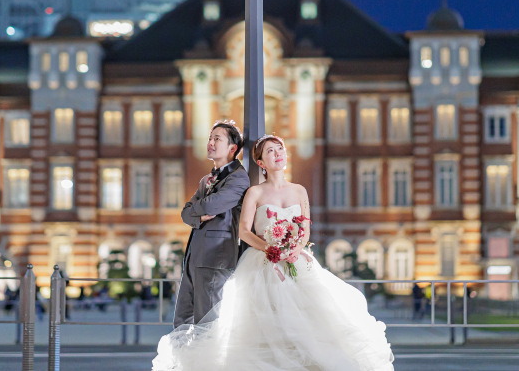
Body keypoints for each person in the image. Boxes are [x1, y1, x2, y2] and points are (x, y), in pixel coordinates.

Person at [153, 135, 395, 371]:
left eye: (280, 149)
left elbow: (306, 229)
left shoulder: (300, 191)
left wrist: (295, 248)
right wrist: (270, 248)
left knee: (308, 321)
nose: (278, 154)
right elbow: (244, 231)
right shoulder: (254, 193)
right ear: (261, 163)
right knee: (260, 323)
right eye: (271, 151)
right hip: (261, 262)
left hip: (295, 261)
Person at [172, 120, 250, 329]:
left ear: (233, 148)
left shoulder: (239, 178)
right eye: (210, 138)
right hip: (194, 258)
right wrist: (196, 213)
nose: (211, 143)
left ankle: (209, 362)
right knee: (182, 321)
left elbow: (212, 205)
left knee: (208, 324)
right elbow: (184, 214)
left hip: (216, 260)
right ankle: (188, 361)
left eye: (217, 138)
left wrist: (197, 210)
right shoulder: (206, 179)